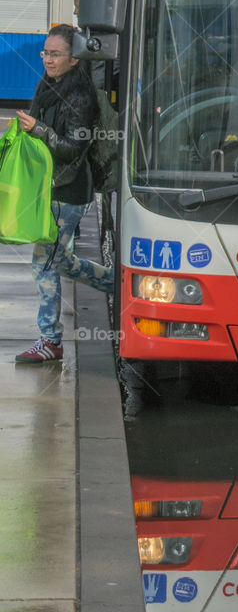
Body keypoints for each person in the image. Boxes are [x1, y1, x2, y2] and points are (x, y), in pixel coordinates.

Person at [13, 23, 114, 364]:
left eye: (55, 54)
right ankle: (119, 285)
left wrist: (38, 128)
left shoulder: (81, 96)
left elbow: (73, 148)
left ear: (74, 60)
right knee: (63, 262)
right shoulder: (49, 85)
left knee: (44, 264)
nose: (47, 60)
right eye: (45, 53)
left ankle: (50, 341)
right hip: (52, 189)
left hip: (69, 192)